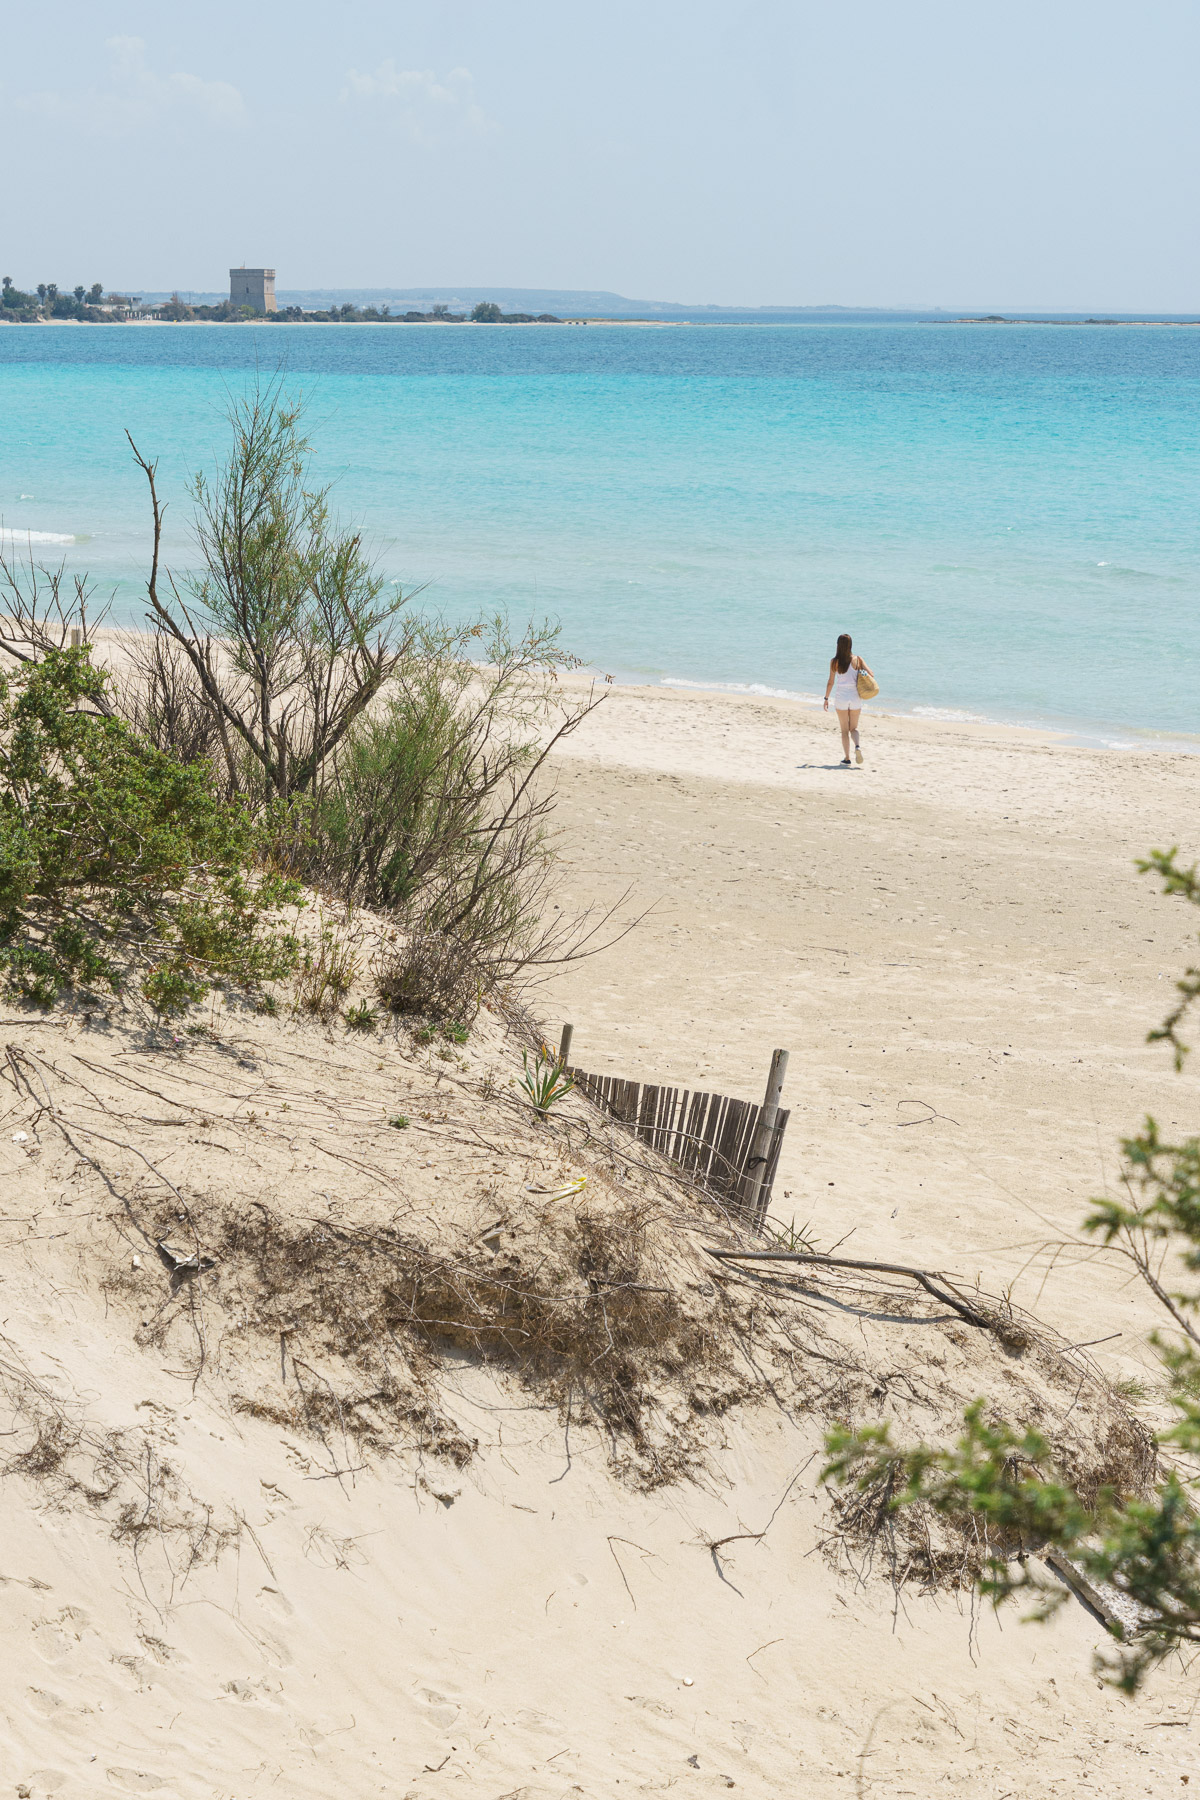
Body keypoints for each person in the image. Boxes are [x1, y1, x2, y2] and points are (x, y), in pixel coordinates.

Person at [822, 633, 874, 766]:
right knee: (854, 728)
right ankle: (857, 746)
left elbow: (830, 682)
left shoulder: (834, 662)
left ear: (838, 646)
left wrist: (826, 698)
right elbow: (871, 674)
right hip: (855, 698)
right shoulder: (858, 660)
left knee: (844, 730)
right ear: (851, 645)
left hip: (841, 698)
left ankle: (847, 758)